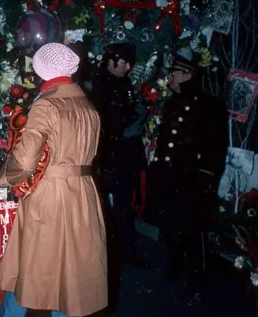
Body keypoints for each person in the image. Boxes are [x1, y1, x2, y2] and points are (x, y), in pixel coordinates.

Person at [0, 43, 107, 317]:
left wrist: (5, 176)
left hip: (50, 196)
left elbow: (27, 158)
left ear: (42, 70)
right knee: (73, 280)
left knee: (28, 273)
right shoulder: (88, 104)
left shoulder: (47, 104)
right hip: (82, 194)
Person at [145, 54, 228, 294]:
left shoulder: (210, 107)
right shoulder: (173, 103)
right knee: (173, 223)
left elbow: (215, 146)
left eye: (175, 73)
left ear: (187, 75)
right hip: (171, 174)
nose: (170, 77)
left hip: (192, 177)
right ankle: (176, 266)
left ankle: (195, 276)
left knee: (193, 227)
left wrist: (207, 175)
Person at [91, 43, 148, 267]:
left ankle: (126, 253)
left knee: (124, 208)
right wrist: (126, 126)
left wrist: (138, 114)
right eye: (124, 63)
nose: (128, 67)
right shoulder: (98, 84)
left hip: (123, 156)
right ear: (112, 61)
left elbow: (128, 110)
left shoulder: (124, 83)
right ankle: (99, 256)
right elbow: (101, 121)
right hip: (104, 156)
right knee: (100, 208)